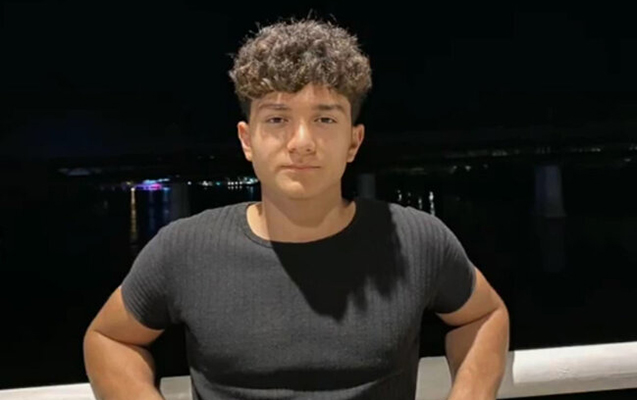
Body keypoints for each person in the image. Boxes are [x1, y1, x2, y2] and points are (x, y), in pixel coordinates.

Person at [83, 18, 510, 400]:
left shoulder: (415, 240)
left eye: (325, 120)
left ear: (354, 141)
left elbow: (483, 316)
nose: (301, 142)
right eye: (277, 119)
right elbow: (109, 339)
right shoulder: (185, 249)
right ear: (247, 140)